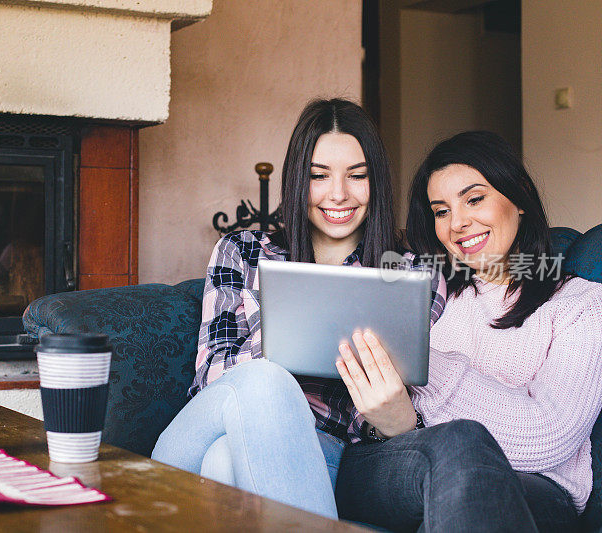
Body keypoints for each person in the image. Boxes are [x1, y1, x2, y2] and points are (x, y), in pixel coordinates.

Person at [151, 98, 504, 522]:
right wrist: (294, 323)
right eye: (319, 176)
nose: (338, 194)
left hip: (323, 452)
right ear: (299, 180)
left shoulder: (411, 270)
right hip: (204, 426)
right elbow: (211, 378)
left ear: (377, 183)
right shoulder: (243, 250)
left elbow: (395, 401)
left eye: (357, 176)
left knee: (224, 463)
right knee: (264, 381)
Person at [334, 131, 602, 532]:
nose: (457, 223)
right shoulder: (428, 295)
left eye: (474, 199)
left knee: (461, 451)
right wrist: (397, 421)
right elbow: (375, 418)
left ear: (520, 197)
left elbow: (550, 436)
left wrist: (422, 386)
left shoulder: (580, 304)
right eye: (440, 211)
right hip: (393, 467)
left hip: (535, 488)